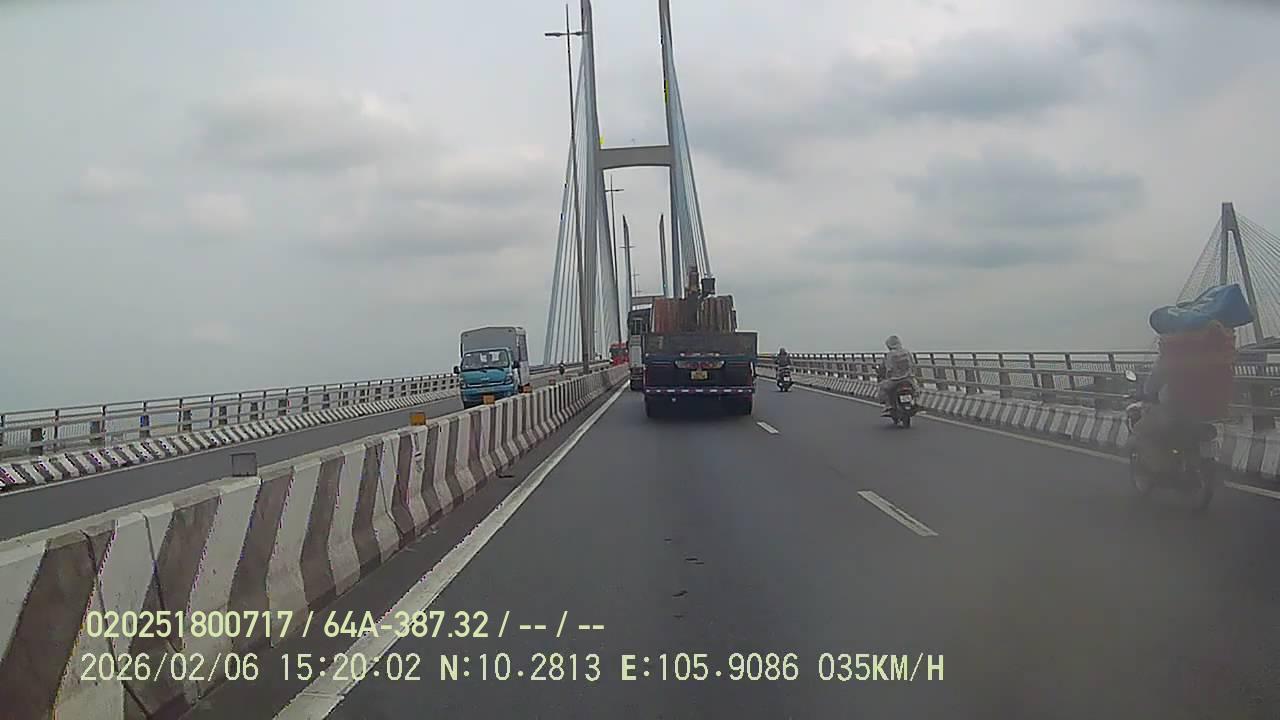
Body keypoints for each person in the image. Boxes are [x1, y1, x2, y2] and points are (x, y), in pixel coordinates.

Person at [877, 335, 916, 415]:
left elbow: (888, 368)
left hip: (895, 380)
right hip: (908, 378)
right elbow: (912, 364)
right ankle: (915, 402)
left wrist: (886, 375)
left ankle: (888, 406)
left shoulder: (890, 355)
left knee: (882, 387)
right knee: (916, 389)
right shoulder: (907, 352)